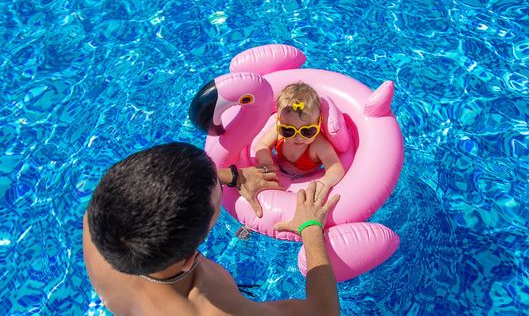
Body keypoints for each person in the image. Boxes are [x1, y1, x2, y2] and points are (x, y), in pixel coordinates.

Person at [83, 142, 341, 316]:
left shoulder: (100, 218)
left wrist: (234, 176)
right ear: (187, 260)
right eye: (218, 202)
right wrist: (310, 226)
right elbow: (323, 310)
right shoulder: (211, 304)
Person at [254, 82, 345, 201]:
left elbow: (336, 168)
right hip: (278, 171)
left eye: (307, 131)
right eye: (289, 131)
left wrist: (324, 183)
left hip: (305, 179)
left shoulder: (318, 145)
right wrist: (267, 163)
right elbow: (262, 145)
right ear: (279, 122)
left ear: (318, 123)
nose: (298, 137)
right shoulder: (278, 132)